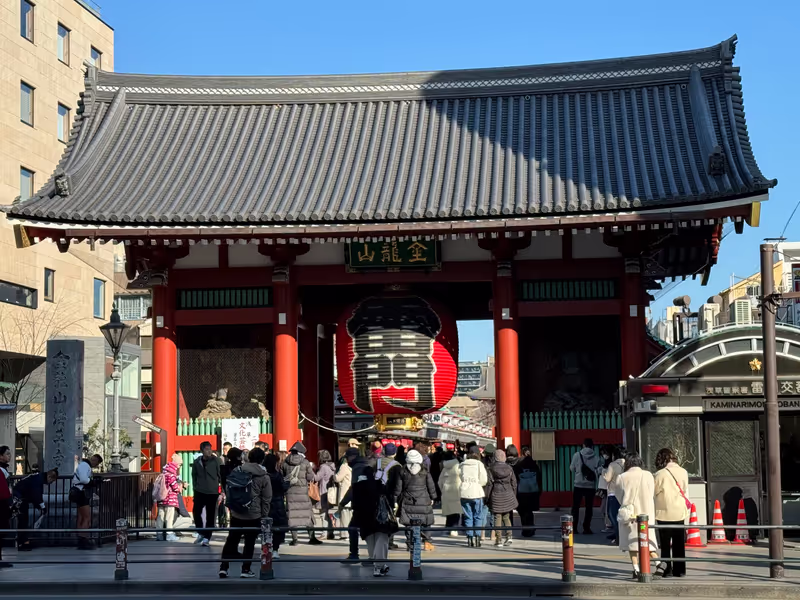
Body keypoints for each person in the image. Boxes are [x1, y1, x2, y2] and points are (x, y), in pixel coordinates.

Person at [219, 447, 272, 579]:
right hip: (253, 514)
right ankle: (245, 569)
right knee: (249, 542)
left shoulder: (238, 470)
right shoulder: (264, 476)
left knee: (231, 540)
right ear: (262, 460)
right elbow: (266, 499)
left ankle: (223, 568)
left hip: (237, 511)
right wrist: (264, 515)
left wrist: (232, 506)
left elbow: (229, 487)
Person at [351, 450, 398, 577]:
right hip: (379, 517)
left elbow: (354, 503)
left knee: (370, 540)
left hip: (364, 518)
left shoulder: (357, 486)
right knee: (381, 540)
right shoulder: (378, 484)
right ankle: (379, 566)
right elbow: (388, 498)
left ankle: (374, 560)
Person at [617, 452, 661, 579]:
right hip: (647, 514)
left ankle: (636, 569)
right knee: (647, 541)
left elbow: (619, 496)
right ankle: (658, 563)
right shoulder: (648, 475)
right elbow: (652, 492)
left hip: (631, 515)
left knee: (633, 544)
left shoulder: (622, 477)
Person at [654, 448, 690, 578]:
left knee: (665, 544)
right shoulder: (684, 472)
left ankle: (667, 570)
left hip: (664, 512)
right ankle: (680, 571)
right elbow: (684, 488)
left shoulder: (660, 474)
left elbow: (655, 491)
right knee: (679, 543)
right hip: (679, 511)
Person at [392, 449, 436, 552]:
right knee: (426, 522)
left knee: (409, 523)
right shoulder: (424, 471)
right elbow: (431, 485)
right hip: (423, 499)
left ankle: (410, 544)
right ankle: (427, 542)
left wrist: (395, 499)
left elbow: (398, 488)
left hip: (408, 500)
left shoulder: (403, 471)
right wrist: (433, 497)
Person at [281, 442, 318, 545]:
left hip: (290, 492)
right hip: (303, 492)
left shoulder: (285, 462)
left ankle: (295, 539)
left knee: (292, 515)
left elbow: (282, 476)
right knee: (307, 515)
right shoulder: (305, 462)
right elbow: (311, 477)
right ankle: (312, 537)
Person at [13, 468, 58, 551]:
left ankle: (22, 540)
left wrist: (40, 506)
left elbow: (35, 494)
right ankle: (22, 542)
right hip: (20, 497)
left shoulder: (38, 477)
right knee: (23, 520)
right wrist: (42, 507)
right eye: (51, 481)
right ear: (49, 477)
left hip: (21, 496)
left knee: (23, 519)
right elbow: (36, 494)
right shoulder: (38, 480)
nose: (50, 483)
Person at [70, 453, 103, 550]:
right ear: (95, 461)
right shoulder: (85, 465)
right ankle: (83, 539)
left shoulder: (83, 465)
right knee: (87, 517)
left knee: (81, 517)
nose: (96, 466)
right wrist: (93, 482)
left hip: (78, 492)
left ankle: (81, 539)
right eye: (97, 463)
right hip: (81, 493)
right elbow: (84, 479)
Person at [192, 441, 222, 546]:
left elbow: (221, 476)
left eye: (210, 449)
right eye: (206, 449)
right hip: (199, 491)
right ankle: (201, 531)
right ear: (202, 450)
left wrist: (222, 491)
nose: (209, 451)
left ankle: (207, 538)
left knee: (211, 515)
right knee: (196, 512)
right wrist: (195, 487)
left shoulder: (217, 461)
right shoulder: (197, 462)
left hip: (212, 492)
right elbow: (194, 476)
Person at [487, 449, 518, 547]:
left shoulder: (491, 469)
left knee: (497, 517)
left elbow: (489, 485)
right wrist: (513, 494)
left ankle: (498, 539)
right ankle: (509, 537)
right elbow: (514, 483)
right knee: (506, 516)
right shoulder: (509, 468)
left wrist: (487, 497)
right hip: (508, 493)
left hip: (496, 494)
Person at [458, 446, 488, 547]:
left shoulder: (462, 465)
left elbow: (460, 477)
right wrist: (477, 483)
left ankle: (470, 538)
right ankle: (477, 537)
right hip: (476, 492)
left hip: (464, 492)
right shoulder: (479, 464)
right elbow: (484, 480)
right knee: (478, 516)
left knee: (468, 516)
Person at [569, 438, 600, 535]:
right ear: (592, 446)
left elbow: (571, 468)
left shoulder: (576, 455)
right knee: (589, 507)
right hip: (590, 486)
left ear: (583, 445)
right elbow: (598, 471)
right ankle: (586, 528)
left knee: (576, 507)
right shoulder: (596, 457)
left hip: (578, 485)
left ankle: (574, 528)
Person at [337, 448, 362, 562]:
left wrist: (343, 502)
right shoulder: (368, 464)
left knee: (352, 528)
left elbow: (354, 488)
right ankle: (375, 557)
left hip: (361, 504)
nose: (347, 460)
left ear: (352, 457)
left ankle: (354, 554)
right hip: (371, 502)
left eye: (347, 457)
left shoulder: (357, 468)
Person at [264, 454, 288, 559]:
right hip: (278, 503)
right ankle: (275, 550)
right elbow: (283, 488)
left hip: (266, 504)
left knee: (266, 528)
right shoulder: (278, 475)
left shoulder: (264, 475)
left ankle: (266, 549)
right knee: (278, 528)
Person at [513, 446, 541, 537]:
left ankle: (525, 529)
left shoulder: (518, 465)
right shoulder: (534, 465)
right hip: (533, 490)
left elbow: (515, 480)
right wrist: (539, 491)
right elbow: (539, 480)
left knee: (522, 511)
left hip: (522, 492)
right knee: (529, 511)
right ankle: (531, 527)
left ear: (522, 453)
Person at [156, 453, 184, 542]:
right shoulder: (171, 474)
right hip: (170, 499)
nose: (179, 467)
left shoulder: (164, 472)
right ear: (176, 464)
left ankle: (159, 535)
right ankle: (169, 535)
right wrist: (181, 486)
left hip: (161, 498)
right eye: (179, 464)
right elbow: (175, 487)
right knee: (169, 518)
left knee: (160, 517)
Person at [602, 446, 624, 544]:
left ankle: (618, 536)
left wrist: (603, 472)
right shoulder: (627, 463)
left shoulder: (612, 464)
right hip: (623, 493)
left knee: (612, 515)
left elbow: (607, 478)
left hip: (613, 493)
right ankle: (618, 534)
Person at [313, 450, 337, 541]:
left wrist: (313, 470)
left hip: (323, 492)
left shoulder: (323, 467)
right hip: (330, 492)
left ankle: (324, 533)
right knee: (328, 513)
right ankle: (330, 532)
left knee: (323, 513)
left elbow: (316, 478)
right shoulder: (332, 466)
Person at [438, 450, 461, 536]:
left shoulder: (444, 468)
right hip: (456, 491)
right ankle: (454, 529)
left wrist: (443, 489)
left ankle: (448, 527)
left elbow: (439, 482)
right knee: (456, 511)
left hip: (446, 491)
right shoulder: (458, 466)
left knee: (449, 512)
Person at [0, 446, 12, 567]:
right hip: (2, 503)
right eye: (7, 454)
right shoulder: (0, 470)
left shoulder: (4, 469)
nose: (9, 456)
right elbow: (3, 489)